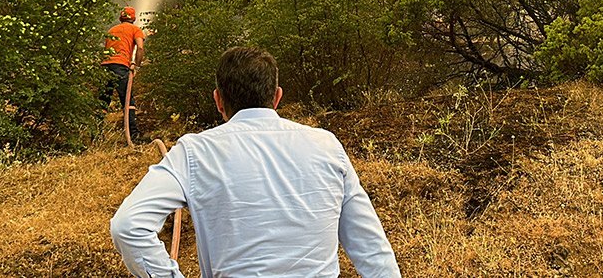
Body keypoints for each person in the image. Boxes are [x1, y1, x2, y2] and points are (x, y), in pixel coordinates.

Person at [110, 46, 401, 278]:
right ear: (277, 97)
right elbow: (372, 249)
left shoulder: (194, 151)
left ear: (218, 100)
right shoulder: (327, 145)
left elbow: (128, 226)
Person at [100, 6, 147, 141]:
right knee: (127, 101)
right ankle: (133, 135)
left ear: (121, 17)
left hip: (105, 67)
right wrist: (136, 65)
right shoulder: (135, 29)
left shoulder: (111, 30)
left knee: (103, 101)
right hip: (121, 66)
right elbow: (140, 47)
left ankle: (96, 133)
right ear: (134, 18)